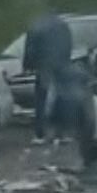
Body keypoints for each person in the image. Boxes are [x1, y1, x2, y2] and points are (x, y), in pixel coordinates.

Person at [23, 13, 72, 144]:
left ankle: (41, 134)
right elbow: (68, 45)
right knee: (61, 98)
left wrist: (27, 65)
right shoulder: (62, 25)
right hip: (61, 66)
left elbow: (31, 47)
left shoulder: (37, 25)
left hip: (44, 66)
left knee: (41, 100)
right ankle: (61, 133)